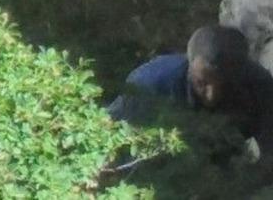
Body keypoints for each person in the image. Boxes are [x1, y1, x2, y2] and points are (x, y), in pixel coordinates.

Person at [109, 25, 273, 157]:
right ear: (189, 63)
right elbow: (109, 141)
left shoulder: (259, 86)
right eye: (201, 82)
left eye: (225, 84)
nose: (212, 96)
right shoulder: (150, 86)